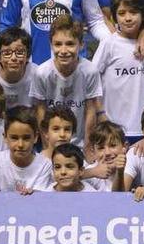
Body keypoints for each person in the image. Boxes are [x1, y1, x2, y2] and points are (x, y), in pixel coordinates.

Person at [30, 14, 102, 148]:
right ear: (51, 45)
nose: (63, 51)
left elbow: (90, 109)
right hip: (51, 144)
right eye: (58, 44)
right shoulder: (42, 73)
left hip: (79, 145)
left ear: (81, 44)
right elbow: (40, 110)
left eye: (70, 44)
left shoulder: (90, 71)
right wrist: (47, 146)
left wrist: (87, 146)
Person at [91, 0, 144, 145]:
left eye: (133, 12)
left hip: (143, 129)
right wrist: (100, 113)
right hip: (112, 126)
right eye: (122, 13)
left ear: (143, 14)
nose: (128, 18)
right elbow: (91, 80)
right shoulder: (109, 43)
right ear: (114, 17)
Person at [0, 106, 53, 198]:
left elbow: (39, 200)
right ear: (5, 137)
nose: (20, 144)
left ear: (36, 137)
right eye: (14, 138)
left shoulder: (45, 165)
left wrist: (34, 193)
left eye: (26, 138)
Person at [0, 28, 37, 109]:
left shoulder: (37, 75)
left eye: (20, 52)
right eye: (7, 53)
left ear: (28, 56)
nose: (14, 58)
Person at [87, 121, 127, 192]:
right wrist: (92, 172)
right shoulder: (89, 172)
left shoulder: (131, 167)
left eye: (112, 146)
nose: (107, 153)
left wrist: (119, 171)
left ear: (124, 147)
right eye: (101, 148)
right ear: (93, 151)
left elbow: (119, 199)